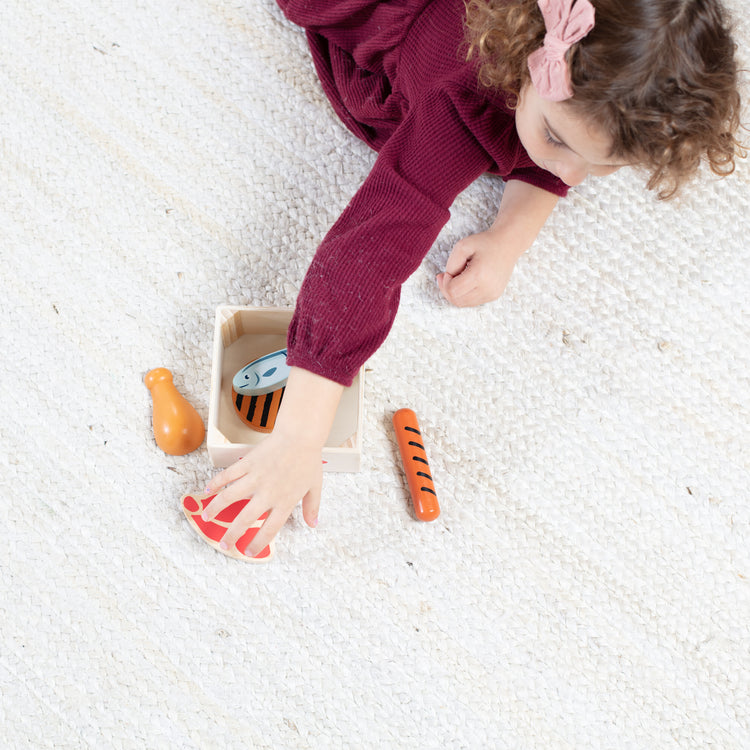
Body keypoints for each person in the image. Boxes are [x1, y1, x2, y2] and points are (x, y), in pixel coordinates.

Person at [202, 0, 745, 556]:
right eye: (557, 140)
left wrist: (510, 234)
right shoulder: (456, 97)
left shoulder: (587, 62)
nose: (573, 175)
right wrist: (298, 435)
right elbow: (374, 243)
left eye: (605, 166)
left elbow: (553, 154)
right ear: (527, 56)